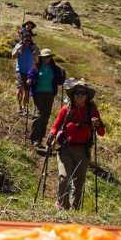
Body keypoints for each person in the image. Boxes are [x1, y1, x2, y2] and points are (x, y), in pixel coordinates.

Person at [46, 80, 105, 210]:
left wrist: (98, 123)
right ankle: (62, 207)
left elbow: (101, 132)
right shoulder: (66, 109)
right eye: (77, 93)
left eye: (83, 93)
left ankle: (75, 210)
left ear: (87, 96)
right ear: (72, 95)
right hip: (65, 148)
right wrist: (52, 134)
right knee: (64, 178)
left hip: (83, 151)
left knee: (79, 183)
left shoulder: (92, 110)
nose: (79, 95)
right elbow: (56, 125)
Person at [27, 49, 65, 147]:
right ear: (41, 57)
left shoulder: (55, 69)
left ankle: (39, 139)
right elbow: (30, 74)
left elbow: (60, 81)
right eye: (44, 57)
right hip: (38, 93)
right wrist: (30, 79)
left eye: (47, 57)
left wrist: (63, 75)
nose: (46, 59)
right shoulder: (37, 67)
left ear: (50, 58)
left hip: (50, 94)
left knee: (46, 116)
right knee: (39, 115)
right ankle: (34, 138)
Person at [12, 33, 39, 115]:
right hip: (20, 71)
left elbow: (37, 59)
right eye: (25, 39)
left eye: (29, 39)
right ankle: (19, 106)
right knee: (20, 89)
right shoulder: (18, 46)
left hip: (29, 72)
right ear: (23, 39)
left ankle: (24, 108)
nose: (27, 41)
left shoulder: (33, 47)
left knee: (27, 91)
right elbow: (13, 56)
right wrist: (18, 50)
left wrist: (36, 51)